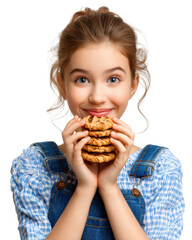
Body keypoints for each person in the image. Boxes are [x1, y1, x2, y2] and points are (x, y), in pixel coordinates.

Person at [10, 6, 184, 240]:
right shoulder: (35, 166)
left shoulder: (160, 171)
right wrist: (84, 187)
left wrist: (110, 186)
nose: (97, 96)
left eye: (113, 79)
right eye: (82, 79)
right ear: (62, 84)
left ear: (132, 85)